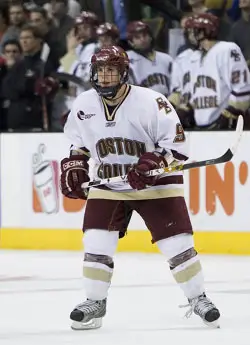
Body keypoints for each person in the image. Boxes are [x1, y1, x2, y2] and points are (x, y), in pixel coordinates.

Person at [60, 45, 220, 330]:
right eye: (100, 70)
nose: (105, 76)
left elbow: (176, 144)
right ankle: (95, 302)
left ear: (123, 72)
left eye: (111, 70)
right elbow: (79, 143)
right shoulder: (84, 103)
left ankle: (198, 297)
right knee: (96, 241)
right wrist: (75, 164)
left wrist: (150, 163)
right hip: (108, 182)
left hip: (155, 182)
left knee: (177, 245)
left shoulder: (151, 101)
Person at [177, 12, 250, 129]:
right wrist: (187, 110)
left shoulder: (227, 49)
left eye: (192, 31)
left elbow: (242, 86)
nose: (189, 35)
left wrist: (231, 112)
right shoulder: (194, 56)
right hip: (202, 127)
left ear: (203, 32)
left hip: (229, 126)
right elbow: (196, 92)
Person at [126, 21, 173, 97]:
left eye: (145, 35)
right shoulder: (126, 60)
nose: (142, 39)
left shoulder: (166, 59)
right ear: (131, 42)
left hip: (166, 103)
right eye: (137, 37)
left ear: (150, 37)